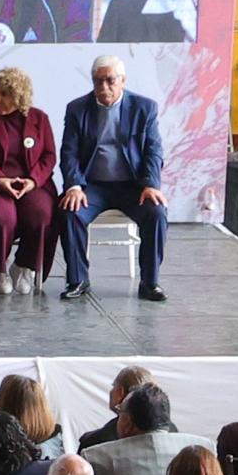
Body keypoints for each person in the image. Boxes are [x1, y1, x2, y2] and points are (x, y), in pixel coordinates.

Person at [60, 55, 169, 304]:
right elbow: (69, 152)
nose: (104, 87)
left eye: (110, 80)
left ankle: (150, 282)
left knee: (156, 212)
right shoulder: (77, 109)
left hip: (133, 186)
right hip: (92, 186)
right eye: (98, 81)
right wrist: (74, 186)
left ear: (123, 81)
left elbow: (153, 151)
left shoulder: (144, 108)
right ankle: (78, 280)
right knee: (70, 212)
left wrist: (151, 184)